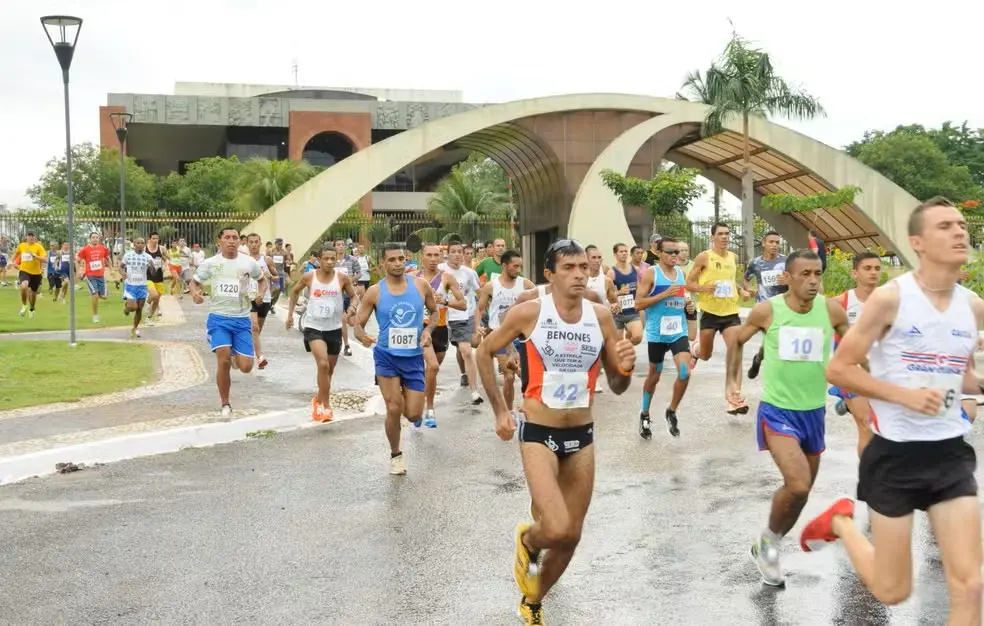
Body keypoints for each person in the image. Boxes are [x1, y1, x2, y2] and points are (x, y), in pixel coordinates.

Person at [801, 198, 982, 623]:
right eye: (945, 226)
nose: (959, 231)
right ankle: (841, 523)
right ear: (917, 242)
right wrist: (903, 395)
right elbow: (839, 368)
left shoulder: (973, 306)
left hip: (950, 454)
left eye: (960, 224)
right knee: (892, 590)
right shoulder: (890, 300)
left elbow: (963, 374)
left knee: (971, 586)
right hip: (895, 456)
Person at [475, 239, 636, 625]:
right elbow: (484, 351)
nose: (579, 274)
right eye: (569, 268)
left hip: (582, 435)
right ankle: (528, 540)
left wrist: (625, 368)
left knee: (571, 536)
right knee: (557, 527)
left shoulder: (600, 317)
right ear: (549, 274)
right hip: (538, 432)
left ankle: (533, 601)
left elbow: (617, 385)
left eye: (583, 267)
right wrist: (500, 411)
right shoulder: (530, 313)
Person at [725, 249, 850, 586]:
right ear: (787, 277)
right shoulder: (768, 310)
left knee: (802, 493)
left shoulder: (831, 310)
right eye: (805, 274)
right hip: (778, 411)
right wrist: (732, 383)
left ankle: (768, 542)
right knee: (797, 484)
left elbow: (854, 347)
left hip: (814, 413)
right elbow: (736, 340)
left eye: (817, 274)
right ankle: (769, 546)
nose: (813, 281)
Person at [351, 243, 438, 475]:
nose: (398, 263)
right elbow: (358, 323)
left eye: (401, 259)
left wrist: (428, 331)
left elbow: (434, 312)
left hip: (413, 357)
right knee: (393, 407)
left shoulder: (420, 285)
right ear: (383, 264)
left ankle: (406, 400)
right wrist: (360, 335)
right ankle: (396, 455)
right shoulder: (374, 292)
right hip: (386, 356)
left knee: (414, 414)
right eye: (392, 260)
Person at [189, 227, 267, 417]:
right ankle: (225, 403)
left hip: (241, 319)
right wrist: (195, 293)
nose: (231, 240)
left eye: (235, 237)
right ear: (219, 241)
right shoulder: (211, 263)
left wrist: (261, 293)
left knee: (246, 367)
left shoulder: (249, 262)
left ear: (240, 241)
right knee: (223, 360)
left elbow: (262, 280)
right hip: (219, 318)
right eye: (227, 237)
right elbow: (194, 281)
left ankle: (234, 355)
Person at [287, 246, 359, 422]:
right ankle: (325, 406)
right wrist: (290, 315)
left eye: (332, 259)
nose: (329, 262)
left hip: (334, 328)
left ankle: (318, 398)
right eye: (326, 258)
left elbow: (355, 296)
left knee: (328, 371)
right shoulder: (309, 276)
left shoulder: (341, 278)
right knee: (323, 364)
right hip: (313, 327)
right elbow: (294, 291)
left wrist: (351, 308)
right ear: (319, 260)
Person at [686, 222, 751, 414]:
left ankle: (734, 397)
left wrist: (741, 290)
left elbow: (730, 280)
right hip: (710, 312)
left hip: (730, 312)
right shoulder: (704, 257)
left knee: (736, 352)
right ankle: (696, 351)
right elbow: (689, 283)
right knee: (706, 355)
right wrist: (703, 288)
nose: (724, 237)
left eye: (727, 234)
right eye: (720, 234)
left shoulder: (733, 257)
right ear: (712, 236)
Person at [634, 236, 695, 439]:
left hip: (678, 331)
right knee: (655, 376)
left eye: (677, 252)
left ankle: (672, 411)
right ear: (659, 253)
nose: (675, 255)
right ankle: (644, 414)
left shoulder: (681, 274)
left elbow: (682, 300)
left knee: (685, 373)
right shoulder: (652, 273)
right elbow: (638, 303)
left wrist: (689, 306)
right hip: (657, 334)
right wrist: (664, 294)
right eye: (670, 252)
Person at [828, 251, 881, 457]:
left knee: (883, 429)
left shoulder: (889, 301)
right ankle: (869, 475)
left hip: (881, 371)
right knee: (866, 425)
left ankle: (846, 404)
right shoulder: (841, 302)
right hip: (852, 372)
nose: (873, 272)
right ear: (854, 273)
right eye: (867, 268)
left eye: (877, 268)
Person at [475, 251, 536, 415]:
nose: (518, 270)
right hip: (499, 335)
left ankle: (530, 406)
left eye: (520, 266)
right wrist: (477, 326)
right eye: (515, 266)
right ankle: (509, 413)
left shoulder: (526, 285)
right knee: (509, 376)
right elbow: (480, 309)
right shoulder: (491, 286)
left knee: (527, 374)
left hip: (521, 336)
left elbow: (540, 302)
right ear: (504, 265)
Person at [415, 243, 466, 426]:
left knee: (431, 372)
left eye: (436, 255)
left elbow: (463, 304)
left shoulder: (446, 278)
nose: (433, 259)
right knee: (433, 367)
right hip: (421, 328)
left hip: (441, 328)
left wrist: (445, 301)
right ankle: (428, 409)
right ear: (422, 257)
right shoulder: (413, 277)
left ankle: (417, 402)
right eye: (429, 255)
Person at [440, 242, 484, 402]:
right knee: (458, 350)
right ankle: (464, 373)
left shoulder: (469, 273)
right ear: (448, 254)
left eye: (460, 251)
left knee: (466, 350)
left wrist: (481, 314)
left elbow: (480, 293)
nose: (457, 254)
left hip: (464, 316)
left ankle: (474, 391)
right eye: (453, 252)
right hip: (443, 317)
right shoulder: (440, 270)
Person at [743, 231, 788, 379]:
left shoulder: (786, 262)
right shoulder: (756, 263)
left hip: (782, 307)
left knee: (775, 339)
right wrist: (749, 289)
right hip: (764, 308)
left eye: (777, 242)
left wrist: (788, 281)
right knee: (774, 338)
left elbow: (797, 279)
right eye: (771, 242)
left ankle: (759, 358)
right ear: (763, 243)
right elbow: (746, 278)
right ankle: (776, 373)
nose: (774, 245)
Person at [245, 233, 279, 370]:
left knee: (257, 330)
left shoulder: (267, 260)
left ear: (260, 243)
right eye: (251, 242)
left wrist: (269, 276)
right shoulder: (243, 260)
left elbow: (277, 278)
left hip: (265, 298)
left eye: (256, 242)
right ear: (247, 243)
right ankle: (259, 357)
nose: (254, 244)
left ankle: (246, 349)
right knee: (254, 326)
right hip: (249, 297)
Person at [607, 242, 644, 345]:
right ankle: (623, 350)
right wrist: (619, 292)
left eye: (625, 251)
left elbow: (640, 289)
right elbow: (607, 295)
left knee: (637, 337)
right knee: (616, 344)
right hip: (617, 313)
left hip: (632, 312)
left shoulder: (635, 269)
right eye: (621, 251)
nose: (624, 253)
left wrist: (640, 300)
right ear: (615, 254)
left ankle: (626, 346)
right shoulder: (611, 273)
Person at [119, 237, 154, 339]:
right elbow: (121, 267)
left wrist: (152, 267)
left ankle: (134, 328)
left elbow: (153, 272)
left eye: (142, 243)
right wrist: (123, 274)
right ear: (134, 245)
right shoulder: (128, 255)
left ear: (144, 245)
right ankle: (126, 308)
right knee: (133, 307)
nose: (140, 245)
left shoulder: (148, 257)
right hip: (130, 285)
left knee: (139, 309)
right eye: (138, 243)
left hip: (142, 286)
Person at [333, 239, 361, 357]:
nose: (341, 247)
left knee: (349, 321)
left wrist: (350, 280)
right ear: (334, 247)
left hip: (348, 293)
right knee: (341, 319)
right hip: (334, 294)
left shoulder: (352, 259)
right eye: (338, 245)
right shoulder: (331, 260)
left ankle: (344, 342)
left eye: (342, 245)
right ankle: (345, 345)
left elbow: (359, 273)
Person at [76, 232, 112, 323]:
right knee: (94, 295)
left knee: (104, 297)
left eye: (97, 237)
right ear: (90, 239)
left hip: (100, 275)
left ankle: (97, 294)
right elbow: (78, 260)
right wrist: (79, 271)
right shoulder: (85, 249)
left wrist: (111, 270)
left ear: (99, 239)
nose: (95, 239)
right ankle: (95, 315)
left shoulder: (103, 249)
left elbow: (107, 259)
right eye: (93, 237)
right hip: (90, 275)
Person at [12, 232, 46, 318]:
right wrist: (10, 262)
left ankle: (32, 308)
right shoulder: (21, 245)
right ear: (26, 237)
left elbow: (45, 259)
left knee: (33, 294)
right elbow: (16, 254)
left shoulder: (39, 247)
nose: (31, 238)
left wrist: (36, 257)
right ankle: (24, 305)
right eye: (29, 236)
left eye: (32, 236)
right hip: (24, 271)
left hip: (36, 273)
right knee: (24, 286)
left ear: (35, 238)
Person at [677, 241, 698, 342]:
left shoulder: (694, 265)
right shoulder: (672, 266)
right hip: (676, 304)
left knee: (692, 336)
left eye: (686, 250)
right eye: (682, 250)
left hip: (690, 303)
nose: (684, 252)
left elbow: (698, 283)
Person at [145, 232, 168, 324]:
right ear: (149, 239)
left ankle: (149, 317)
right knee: (154, 295)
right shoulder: (145, 248)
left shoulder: (161, 249)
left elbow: (167, 259)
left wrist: (165, 265)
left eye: (157, 238)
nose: (155, 240)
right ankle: (147, 302)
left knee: (156, 299)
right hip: (147, 276)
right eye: (153, 238)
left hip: (159, 277)